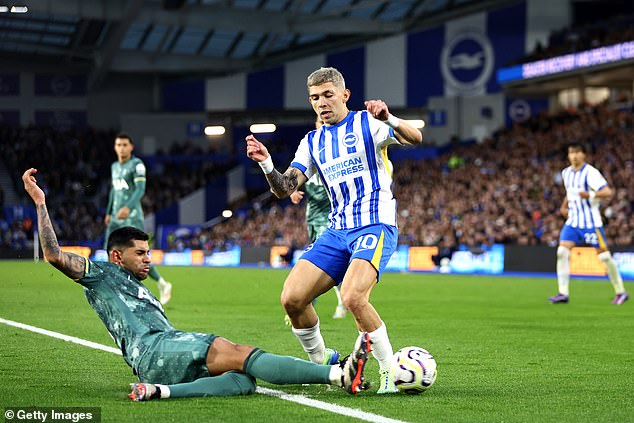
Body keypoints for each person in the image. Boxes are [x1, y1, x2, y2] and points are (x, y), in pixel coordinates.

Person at [22, 168, 370, 401]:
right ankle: (337, 375)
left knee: (242, 380)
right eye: (140, 253)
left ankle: (159, 392)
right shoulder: (101, 274)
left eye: (148, 253)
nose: (147, 259)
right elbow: (53, 255)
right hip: (155, 349)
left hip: (162, 352)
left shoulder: (138, 286)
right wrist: (41, 204)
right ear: (116, 256)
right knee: (240, 352)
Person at [246, 67, 423, 394]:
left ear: (345, 95)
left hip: (374, 223)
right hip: (336, 231)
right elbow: (285, 188)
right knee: (292, 298)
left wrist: (390, 118)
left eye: (328, 95)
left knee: (354, 296)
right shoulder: (312, 142)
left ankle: (389, 372)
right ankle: (321, 362)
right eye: (315, 98)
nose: (321, 103)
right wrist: (266, 163)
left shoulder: (367, 122)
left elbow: (415, 138)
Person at [549, 143, 628, 305]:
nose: (574, 156)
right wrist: (564, 206)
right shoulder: (566, 173)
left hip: (591, 223)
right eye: (571, 153)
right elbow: (570, 193)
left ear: (584, 154)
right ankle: (563, 293)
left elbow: (607, 192)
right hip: (573, 222)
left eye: (577, 152)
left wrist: (590, 194)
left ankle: (621, 291)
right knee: (562, 252)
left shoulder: (591, 172)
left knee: (605, 256)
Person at [289, 118, 346, 321]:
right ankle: (304, 304)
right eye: (319, 122)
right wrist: (292, 192)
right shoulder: (312, 151)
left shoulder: (337, 152)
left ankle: (339, 303)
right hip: (311, 218)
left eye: (324, 122)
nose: (322, 125)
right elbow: (294, 177)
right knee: (318, 264)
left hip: (330, 218)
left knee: (322, 265)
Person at [104, 133, 172, 305]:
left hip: (132, 217)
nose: (121, 148)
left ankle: (162, 283)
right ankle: (113, 285)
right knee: (109, 249)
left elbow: (140, 189)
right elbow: (114, 190)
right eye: (118, 144)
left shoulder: (137, 165)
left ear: (131, 147)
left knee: (137, 255)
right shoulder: (114, 166)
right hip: (115, 217)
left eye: (125, 144)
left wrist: (128, 206)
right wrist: (109, 211)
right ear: (114, 147)